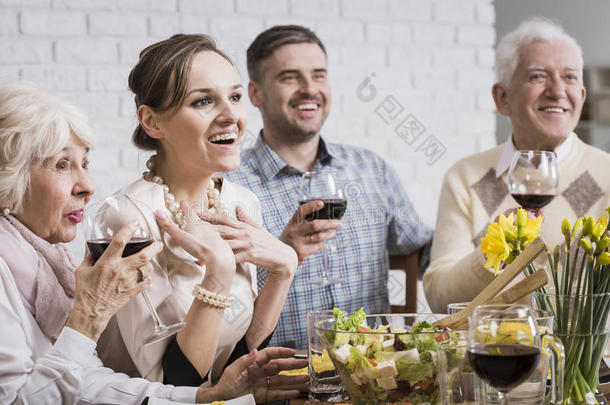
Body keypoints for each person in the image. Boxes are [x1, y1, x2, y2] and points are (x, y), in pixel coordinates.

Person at [0, 84, 307, 404]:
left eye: (85, 164)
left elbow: (86, 382)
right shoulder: (129, 213)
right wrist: (87, 319)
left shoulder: (47, 258)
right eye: (62, 164)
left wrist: (209, 397)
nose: (88, 187)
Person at [97, 33, 299, 386]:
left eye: (235, 97)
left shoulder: (240, 202)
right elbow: (172, 385)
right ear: (152, 122)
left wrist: (284, 270)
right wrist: (218, 272)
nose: (231, 116)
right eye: (204, 101)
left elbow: (236, 363)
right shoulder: (129, 218)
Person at [225, 25, 433, 349]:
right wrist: (283, 256)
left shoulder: (370, 170)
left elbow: (422, 251)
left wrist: (481, 241)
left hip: (374, 378)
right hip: (279, 385)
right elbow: (221, 309)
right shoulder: (229, 187)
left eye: (319, 75)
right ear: (255, 93)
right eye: (290, 77)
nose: (310, 89)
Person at [423, 18, 610, 313]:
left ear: (582, 97)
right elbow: (439, 297)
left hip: (584, 358)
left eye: (570, 77)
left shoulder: (606, 175)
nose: (558, 91)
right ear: (503, 98)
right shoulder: (467, 177)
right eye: (538, 76)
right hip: (491, 353)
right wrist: (493, 250)